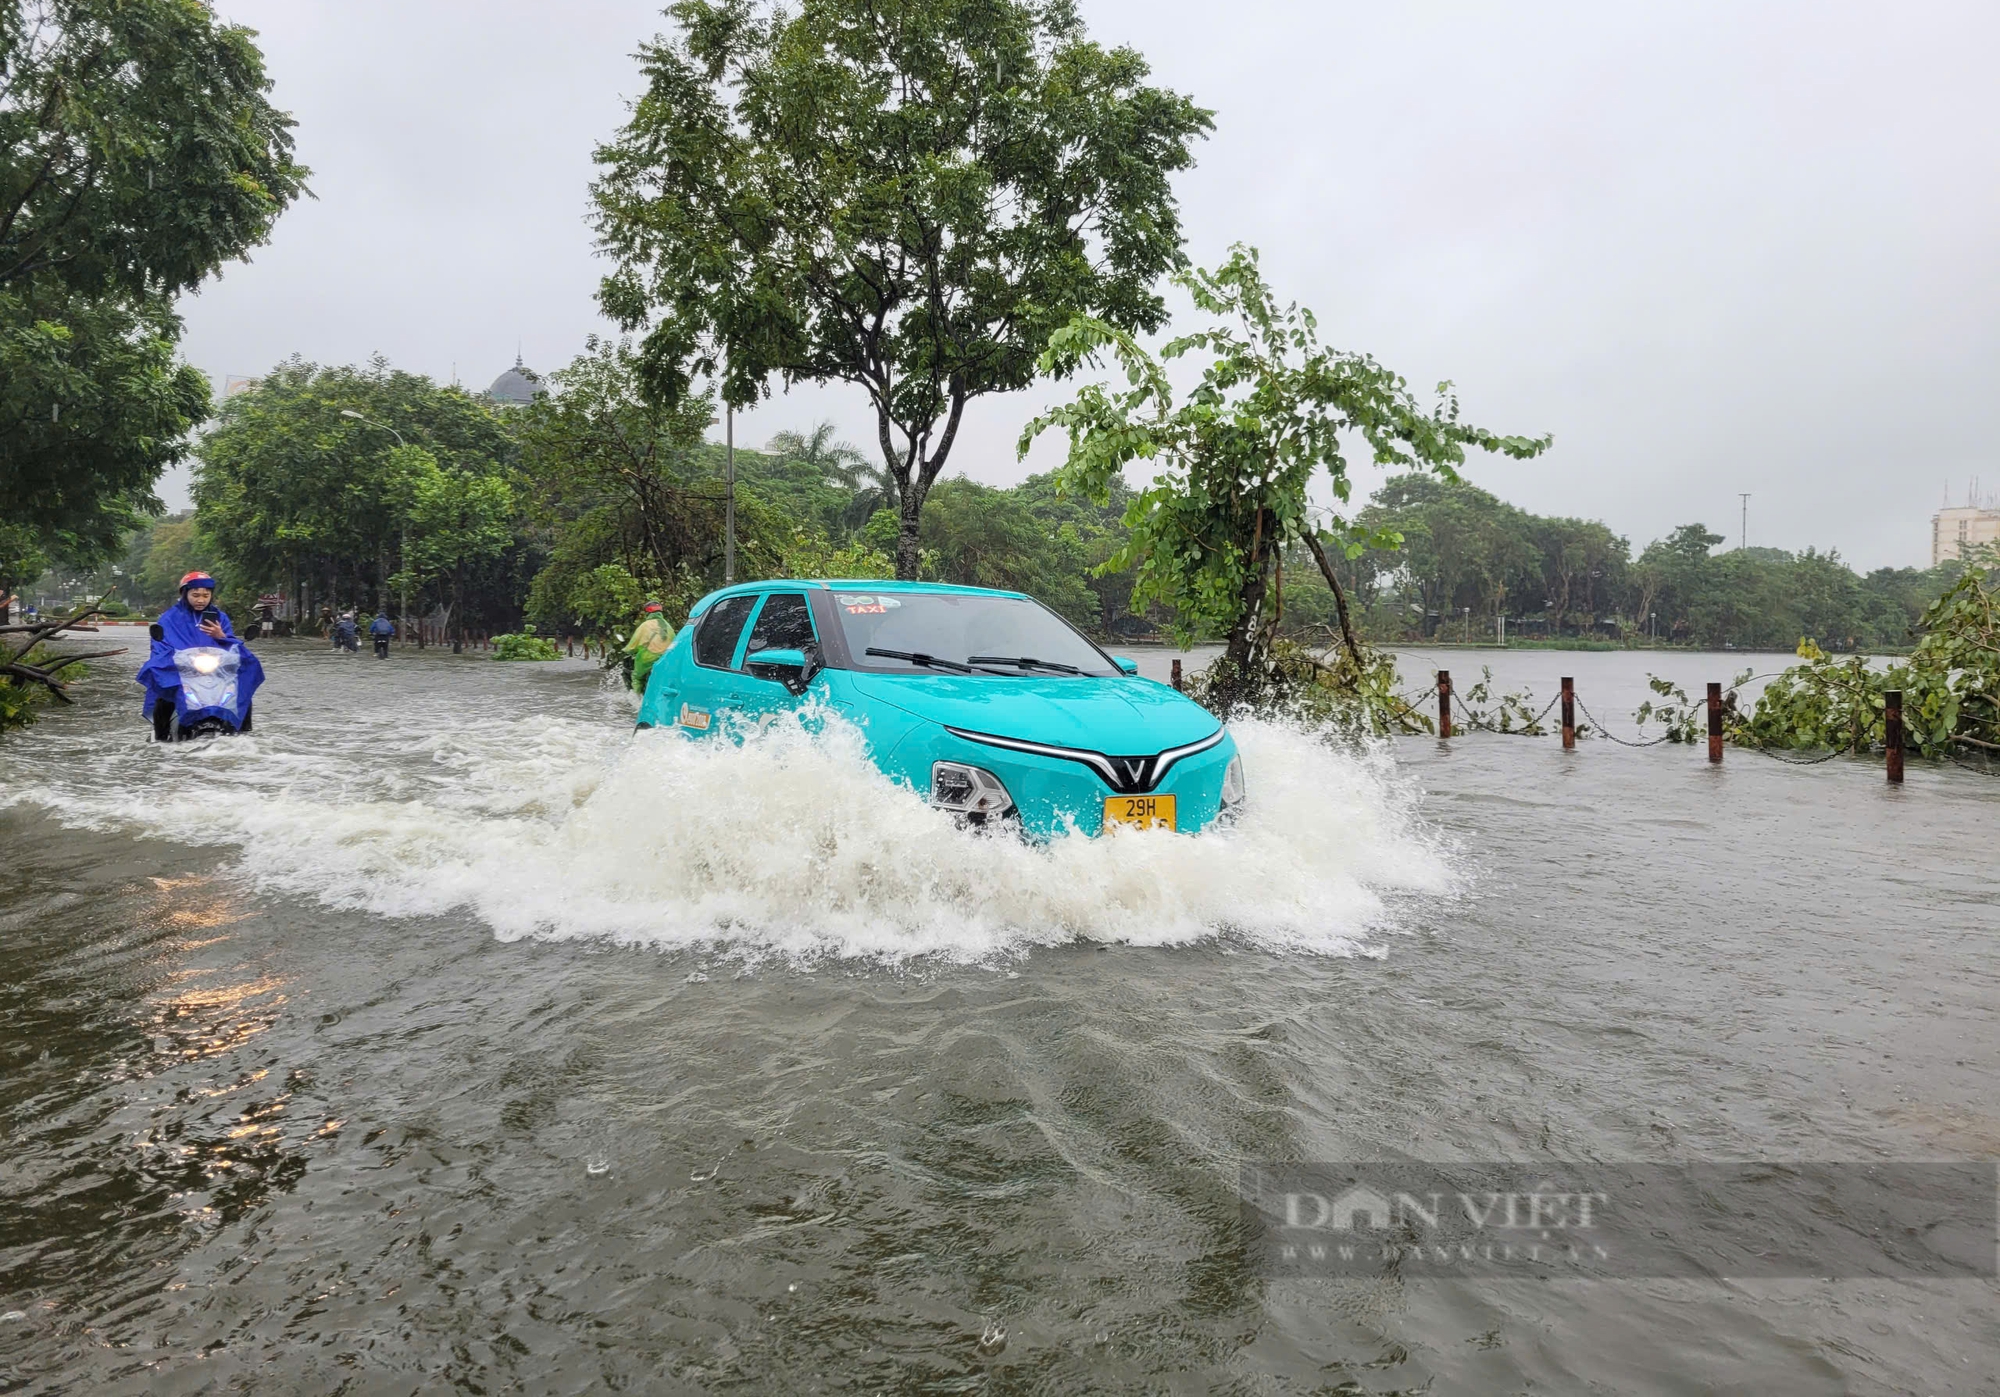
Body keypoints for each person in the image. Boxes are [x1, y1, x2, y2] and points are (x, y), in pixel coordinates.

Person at [137, 572, 265, 740]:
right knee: (164, 693)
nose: (201, 600)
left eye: (206, 595)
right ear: (184, 594)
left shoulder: (220, 617)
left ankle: (243, 732)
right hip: (182, 670)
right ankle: (160, 738)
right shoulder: (169, 618)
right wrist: (169, 657)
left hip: (216, 669)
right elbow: (160, 645)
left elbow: (232, 646)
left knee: (242, 689)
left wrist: (221, 636)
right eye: (195, 595)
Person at [622, 602, 676, 694]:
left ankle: (637, 697)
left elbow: (632, 645)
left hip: (648, 658)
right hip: (666, 659)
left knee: (637, 677)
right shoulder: (668, 626)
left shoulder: (645, 625)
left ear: (648, 613)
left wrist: (627, 650)